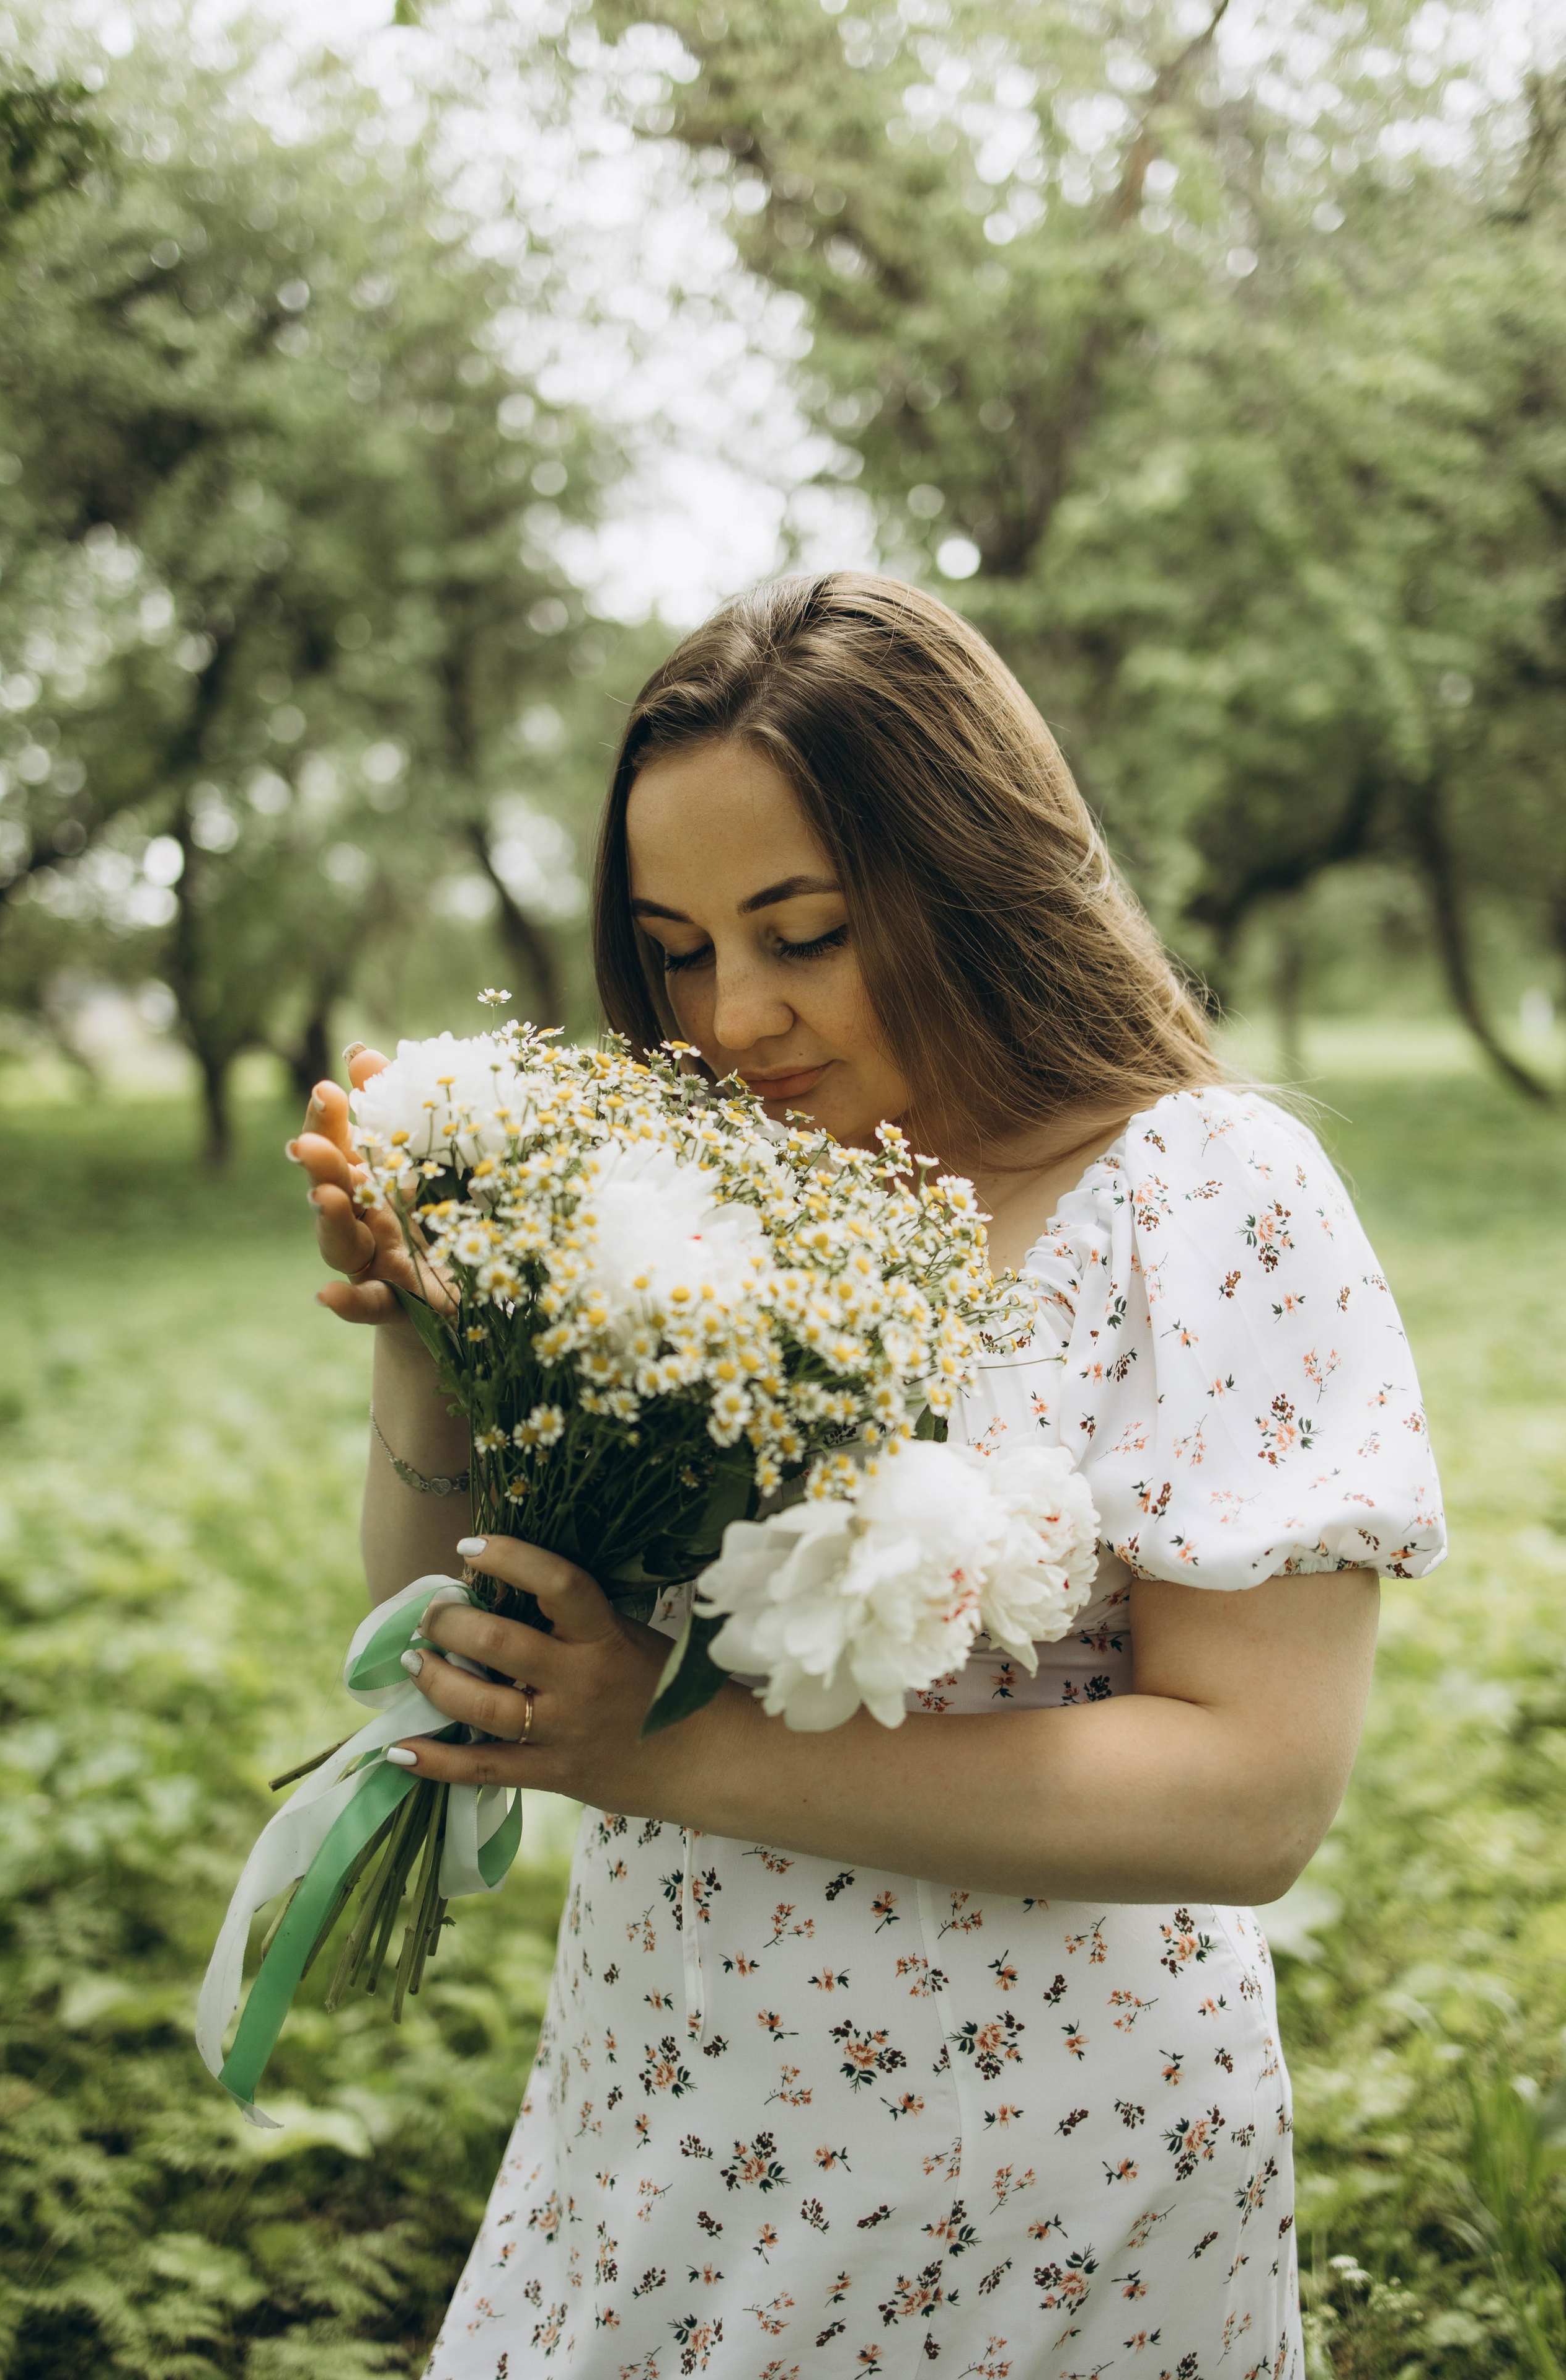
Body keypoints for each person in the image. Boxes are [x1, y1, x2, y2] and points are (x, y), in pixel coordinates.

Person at [290, 573, 1445, 2378]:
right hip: (657, 2114)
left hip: (1035, 2183)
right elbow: (440, 1627)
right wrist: (427, 1335)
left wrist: (660, 1747)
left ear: (972, 882)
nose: (732, 1014)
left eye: (803, 931)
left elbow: (1253, 1796)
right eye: (678, 948)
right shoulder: (689, 1195)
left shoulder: (1204, 1194)